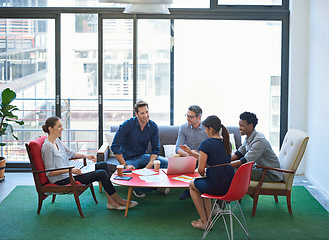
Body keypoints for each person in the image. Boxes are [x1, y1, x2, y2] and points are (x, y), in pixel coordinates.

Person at [41, 116, 138, 211]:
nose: (62, 128)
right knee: (102, 173)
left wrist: (86, 156)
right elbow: (49, 172)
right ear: (50, 129)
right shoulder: (47, 147)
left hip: (71, 173)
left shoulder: (57, 141)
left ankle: (111, 202)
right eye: (59, 126)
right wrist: (70, 170)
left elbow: (71, 153)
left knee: (103, 165)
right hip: (63, 179)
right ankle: (118, 200)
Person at [111, 100, 169, 198]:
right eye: (142, 113)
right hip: (129, 159)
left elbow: (156, 149)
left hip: (143, 156)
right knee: (128, 173)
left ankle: (150, 186)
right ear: (136, 114)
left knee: (165, 163)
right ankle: (145, 188)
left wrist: (150, 164)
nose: (145, 115)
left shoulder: (153, 126)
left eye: (147, 112)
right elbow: (115, 146)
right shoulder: (127, 125)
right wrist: (125, 165)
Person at [189, 115, 235, 230]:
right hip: (230, 186)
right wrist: (191, 153)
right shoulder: (226, 143)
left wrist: (203, 173)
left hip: (216, 185)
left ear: (211, 129)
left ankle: (205, 221)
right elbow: (217, 161)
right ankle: (208, 221)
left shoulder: (206, 144)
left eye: (205, 129)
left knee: (192, 185)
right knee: (204, 185)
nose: (205, 132)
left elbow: (200, 169)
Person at [231, 111, 283, 182]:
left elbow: (245, 160)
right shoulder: (248, 137)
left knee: (236, 170)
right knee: (232, 168)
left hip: (271, 174)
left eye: (242, 126)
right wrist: (223, 161)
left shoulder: (259, 140)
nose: (239, 128)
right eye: (239, 125)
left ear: (250, 126)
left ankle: (231, 192)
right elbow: (239, 154)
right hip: (261, 169)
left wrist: (225, 166)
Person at [175, 105, 208, 200]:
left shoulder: (207, 128)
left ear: (199, 117)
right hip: (189, 157)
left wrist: (198, 155)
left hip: (203, 157)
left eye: (191, 117)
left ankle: (202, 188)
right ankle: (188, 189)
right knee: (177, 159)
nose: (188, 118)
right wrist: (188, 154)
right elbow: (178, 148)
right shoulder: (183, 128)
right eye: (187, 115)